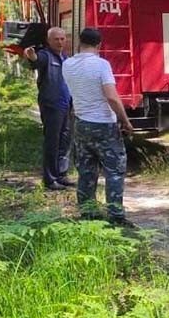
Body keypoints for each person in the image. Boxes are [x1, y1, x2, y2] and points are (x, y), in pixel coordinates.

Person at [61, 27, 135, 226]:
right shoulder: (102, 65)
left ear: (80, 42)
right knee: (114, 171)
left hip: (81, 123)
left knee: (86, 171)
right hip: (103, 124)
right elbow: (111, 96)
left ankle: (88, 214)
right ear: (99, 44)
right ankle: (116, 216)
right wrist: (125, 121)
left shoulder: (67, 65)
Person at [24, 27, 73, 191]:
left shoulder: (65, 58)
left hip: (66, 105)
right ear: (48, 41)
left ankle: (61, 174)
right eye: (56, 39)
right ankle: (50, 179)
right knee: (52, 141)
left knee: (65, 140)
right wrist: (32, 57)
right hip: (52, 105)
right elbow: (36, 61)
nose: (60, 42)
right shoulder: (46, 56)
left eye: (62, 39)